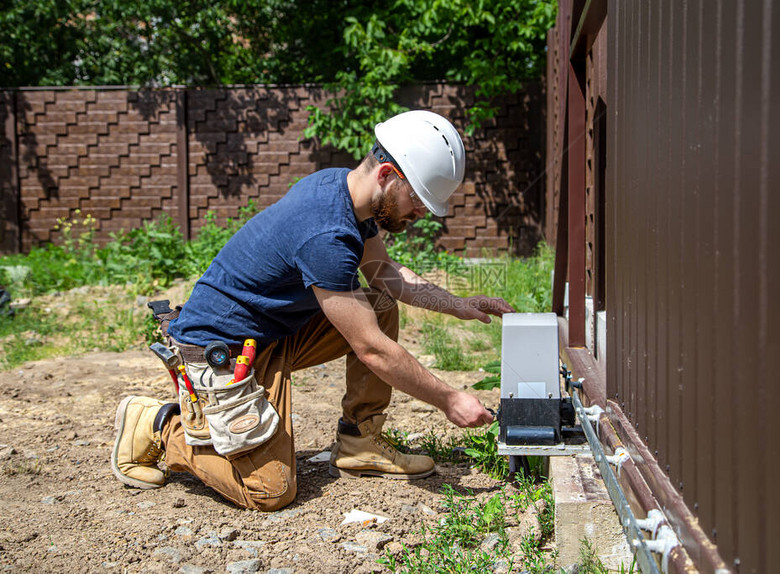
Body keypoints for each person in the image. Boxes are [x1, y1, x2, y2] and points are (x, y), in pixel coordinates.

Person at [110, 110, 514, 511]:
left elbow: (384, 273)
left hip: (272, 332)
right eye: (418, 199)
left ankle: (360, 439)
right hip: (221, 350)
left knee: (379, 303)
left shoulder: (348, 193)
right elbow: (371, 349)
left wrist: (459, 305)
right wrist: (448, 399)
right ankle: (159, 424)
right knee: (269, 491)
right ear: (389, 175)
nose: (421, 213)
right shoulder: (327, 234)